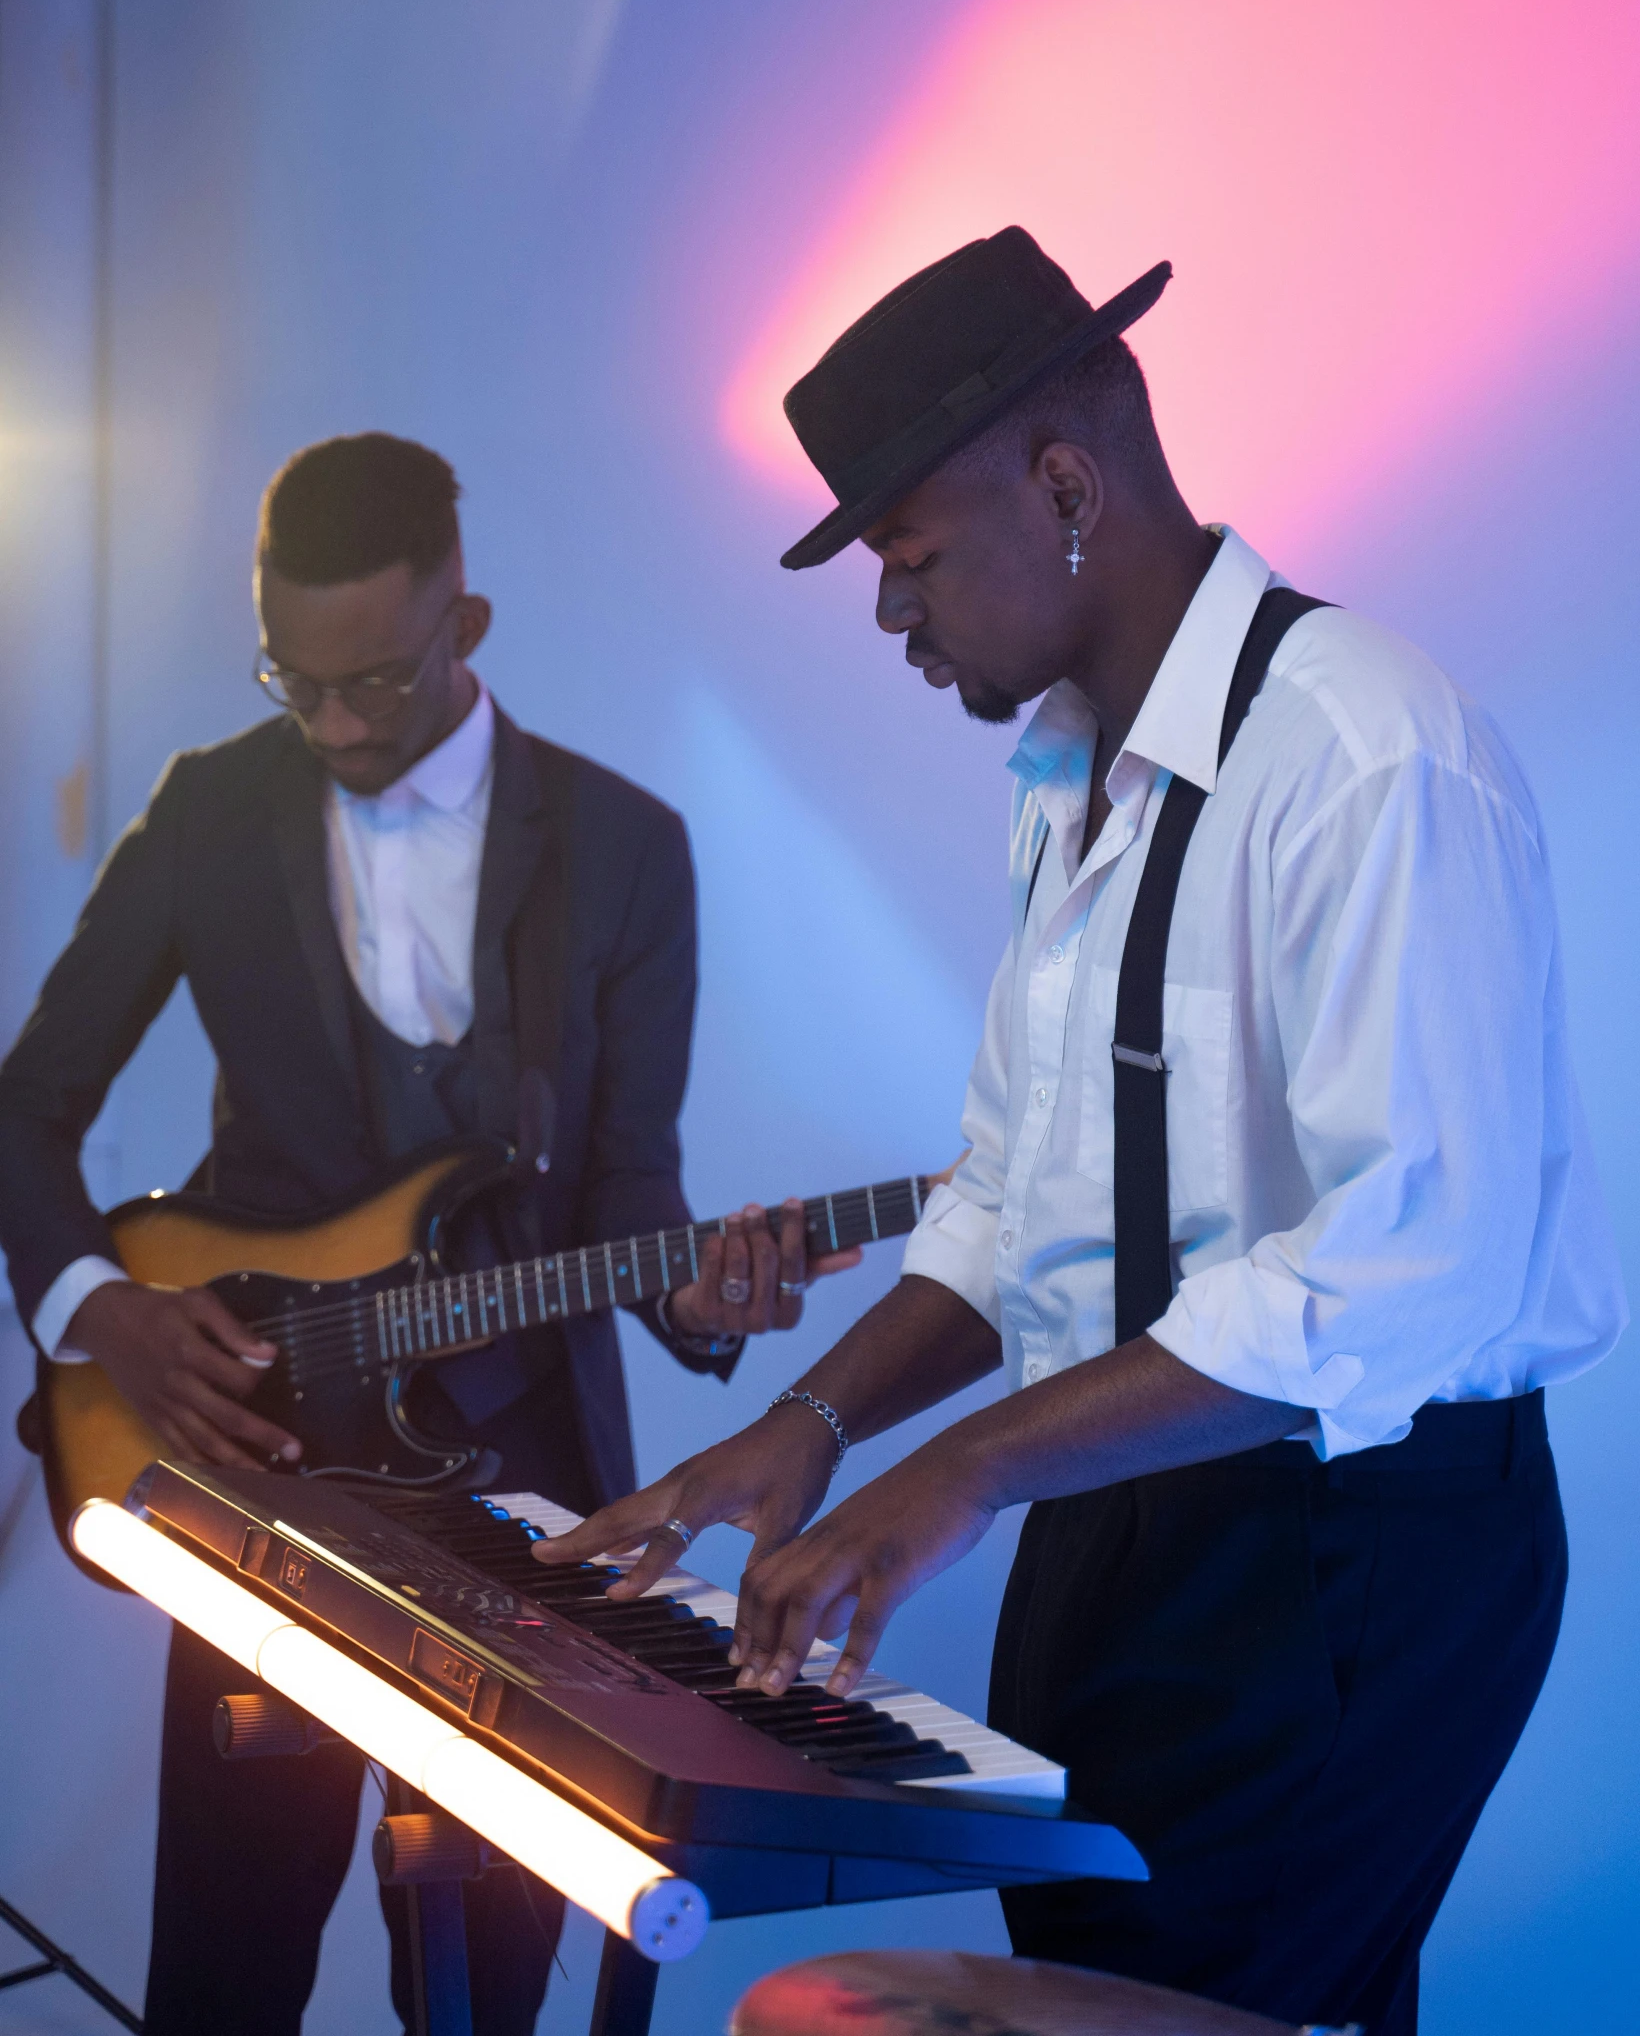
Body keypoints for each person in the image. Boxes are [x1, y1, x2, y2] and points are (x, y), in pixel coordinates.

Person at [536, 230, 1626, 2034]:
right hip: (1123, 1496)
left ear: (1063, 483)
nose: (894, 617)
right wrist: (806, 1428)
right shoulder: (1062, 770)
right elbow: (1015, 1197)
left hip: (1351, 1537)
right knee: (1103, 1983)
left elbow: (1400, 1279)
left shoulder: (1369, 754)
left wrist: (957, 1471)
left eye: (910, 559)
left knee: (1187, 2002)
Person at [0, 431, 848, 2036]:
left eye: (373, 686)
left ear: (466, 624)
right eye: (293, 683)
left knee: (485, 2001)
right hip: (260, 1455)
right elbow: (22, 1105)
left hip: (536, 1512)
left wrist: (719, 1295)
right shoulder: (207, 811)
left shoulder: (625, 847)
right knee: (220, 1980)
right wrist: (104, 1308)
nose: (330, 726)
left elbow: (629, 1198)